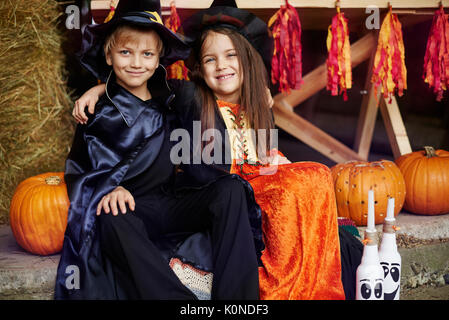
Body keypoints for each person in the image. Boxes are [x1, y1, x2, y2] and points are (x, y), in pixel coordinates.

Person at [72, 1, 363, 300]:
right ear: (199, 68)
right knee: (248, 188)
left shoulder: (259, 104)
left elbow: (265, 154)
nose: (221, 66)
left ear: (247, 60)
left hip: (235, 189)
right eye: (210, 59)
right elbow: (149, 85)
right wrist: (100, 90)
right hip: (209, 187)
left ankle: (254, 296)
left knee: (313, 177)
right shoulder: (190, 95)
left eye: (230, 56)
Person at [55, 0, 264, 300]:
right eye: (125, 52)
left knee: (230, 190)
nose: (136, 63)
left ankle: (237, 301)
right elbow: (79, 171)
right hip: (130, 209)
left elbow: (213, 89)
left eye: (147, 54)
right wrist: (109, 188)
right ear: (108, 54)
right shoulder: (95, 113)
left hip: (170, 202)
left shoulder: (172, 97)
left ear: (158, 59)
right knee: (110, 218)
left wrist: (264, 89)